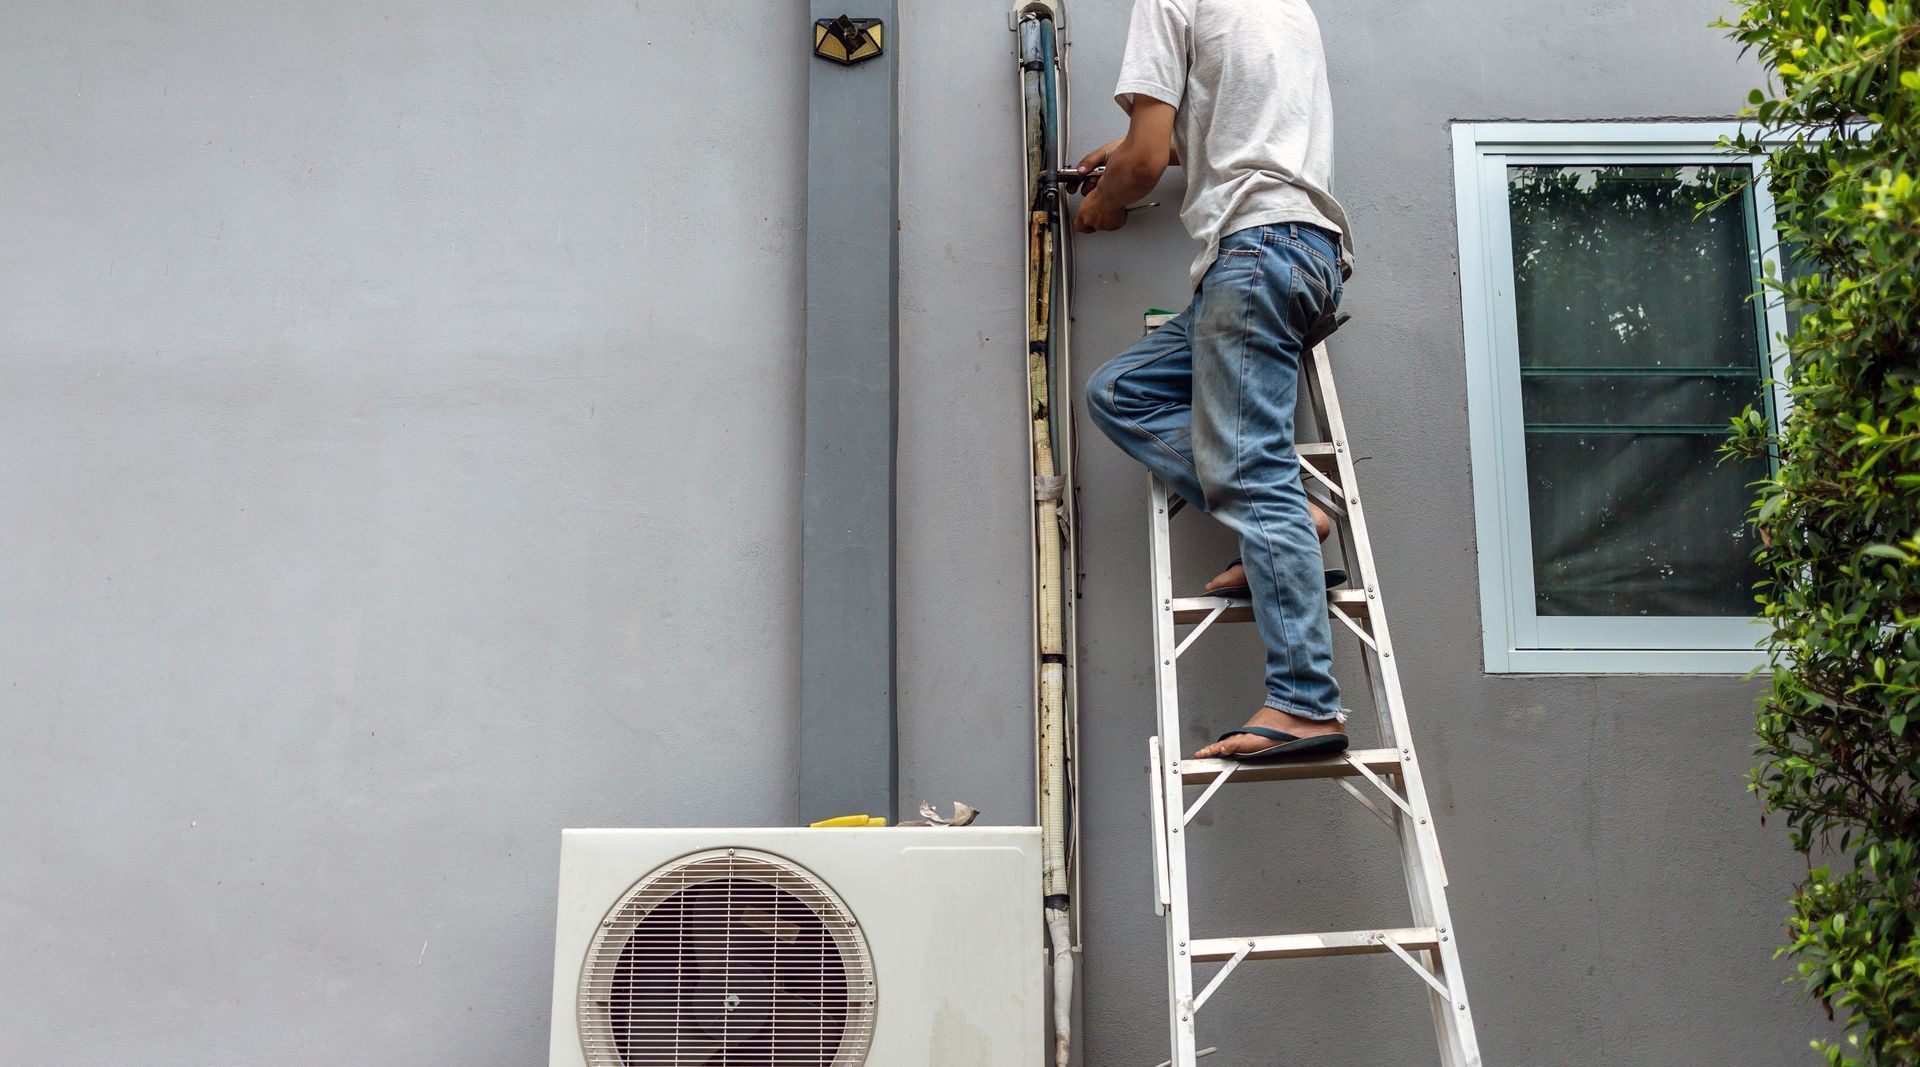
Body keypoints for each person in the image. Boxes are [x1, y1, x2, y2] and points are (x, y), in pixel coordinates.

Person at [1077, 0, 1354, 762]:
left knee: (1250, 468)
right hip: (1305, 252)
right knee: (1120, 391)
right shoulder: (1282, 7)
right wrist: (1139, 148)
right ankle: (1298, 514)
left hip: (1255, 253)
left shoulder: (1168, 0)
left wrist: (1108, 197)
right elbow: (1230, 129)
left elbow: (1141, 163)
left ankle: (1306, 702)